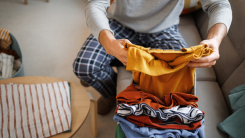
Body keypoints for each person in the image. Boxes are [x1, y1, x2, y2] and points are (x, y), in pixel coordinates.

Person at [73, 0, 232, 115]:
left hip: (164, 28)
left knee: (178, 76)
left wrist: (214, 40)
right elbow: (95, 4)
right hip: (119, 23)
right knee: (85, 67)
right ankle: (109, 92)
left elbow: (219, 4)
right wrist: (108, 42)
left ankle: (120, 62)